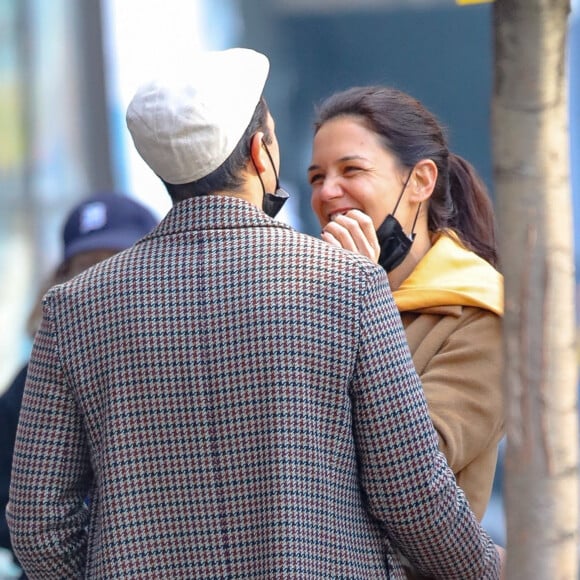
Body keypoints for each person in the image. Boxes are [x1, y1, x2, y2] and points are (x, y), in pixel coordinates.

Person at [8, 48, 503, 579]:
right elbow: (409, 490)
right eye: (315, 174)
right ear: (261, 154)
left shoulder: (75, 306)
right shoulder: (348, 282)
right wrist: (486, 568)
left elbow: (40, 524)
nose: (327, 191)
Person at [308, 85, 504, 525]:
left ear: (420, 181)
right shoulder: (314, 296)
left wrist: (362, 301)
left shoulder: (481, 313)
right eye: (317, 177)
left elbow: (413, 465)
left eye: (351, 170)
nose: (328, 192)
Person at [0, 192, 158, 574]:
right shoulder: (29, 387)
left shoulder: (182, 359)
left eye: (112, 266)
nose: (96, 284)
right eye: (85, 268)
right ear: (61, 280)